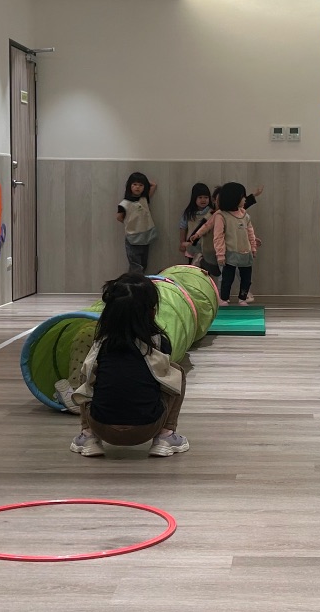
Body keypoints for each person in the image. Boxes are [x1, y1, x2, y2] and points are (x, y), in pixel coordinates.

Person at [65, 273, 189, 458]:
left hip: (100, 426)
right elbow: (163, 380)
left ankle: (88, 436)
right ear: (152, 312)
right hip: (148, 427)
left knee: (87, 372)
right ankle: (165, 436)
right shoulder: (158, 342)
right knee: (175, 372)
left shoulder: (101, 344)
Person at [213, 181, 258, 306]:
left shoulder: (245, 215)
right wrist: (220, 254)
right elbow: (218, 236)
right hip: (230, 253)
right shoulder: (221, 215)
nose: (245, 199)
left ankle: (243, 298)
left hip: (246, 252)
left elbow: (250, 232)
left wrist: (253, 247)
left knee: (246, 279)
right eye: (242, 196)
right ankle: (224, 298)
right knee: (227, 278)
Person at [117, 172, 157, 273]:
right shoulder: (124, 204)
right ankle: (134, 281)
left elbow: (154, 185)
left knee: (143, 264)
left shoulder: (144, 199)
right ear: (129, 186)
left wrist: (143, 180)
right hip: (133, 238)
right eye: (134, 184)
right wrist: (131, 223)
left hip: (146, 237)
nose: (137, 187)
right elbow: (119, 217)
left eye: (141, 185)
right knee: (135, 265)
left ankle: (138, 280)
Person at [179, 182, 212, 265]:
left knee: (206, 268)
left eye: (206, 197)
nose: (203, 200)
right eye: (200, 197)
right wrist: (182, 243)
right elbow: (183, 228)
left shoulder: (212, 212)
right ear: (194, 198)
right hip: (192, 247)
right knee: (193, 268)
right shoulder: (189, 213)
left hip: (207, 248)